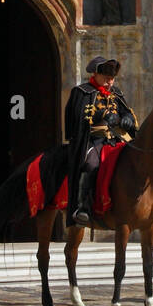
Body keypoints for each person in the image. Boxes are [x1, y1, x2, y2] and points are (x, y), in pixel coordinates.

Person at [65, 57, 138, 226]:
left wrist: (127, 119)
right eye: (106, 78)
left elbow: (126, 111)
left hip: (119, 140)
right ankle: (82, 207)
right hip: (95, 140)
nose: (109, 82)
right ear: (95, 74)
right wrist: (102, 115)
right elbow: (77, 118)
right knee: (91, 164)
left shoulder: (116, 93)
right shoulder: (82, 92)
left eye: (112, 79)